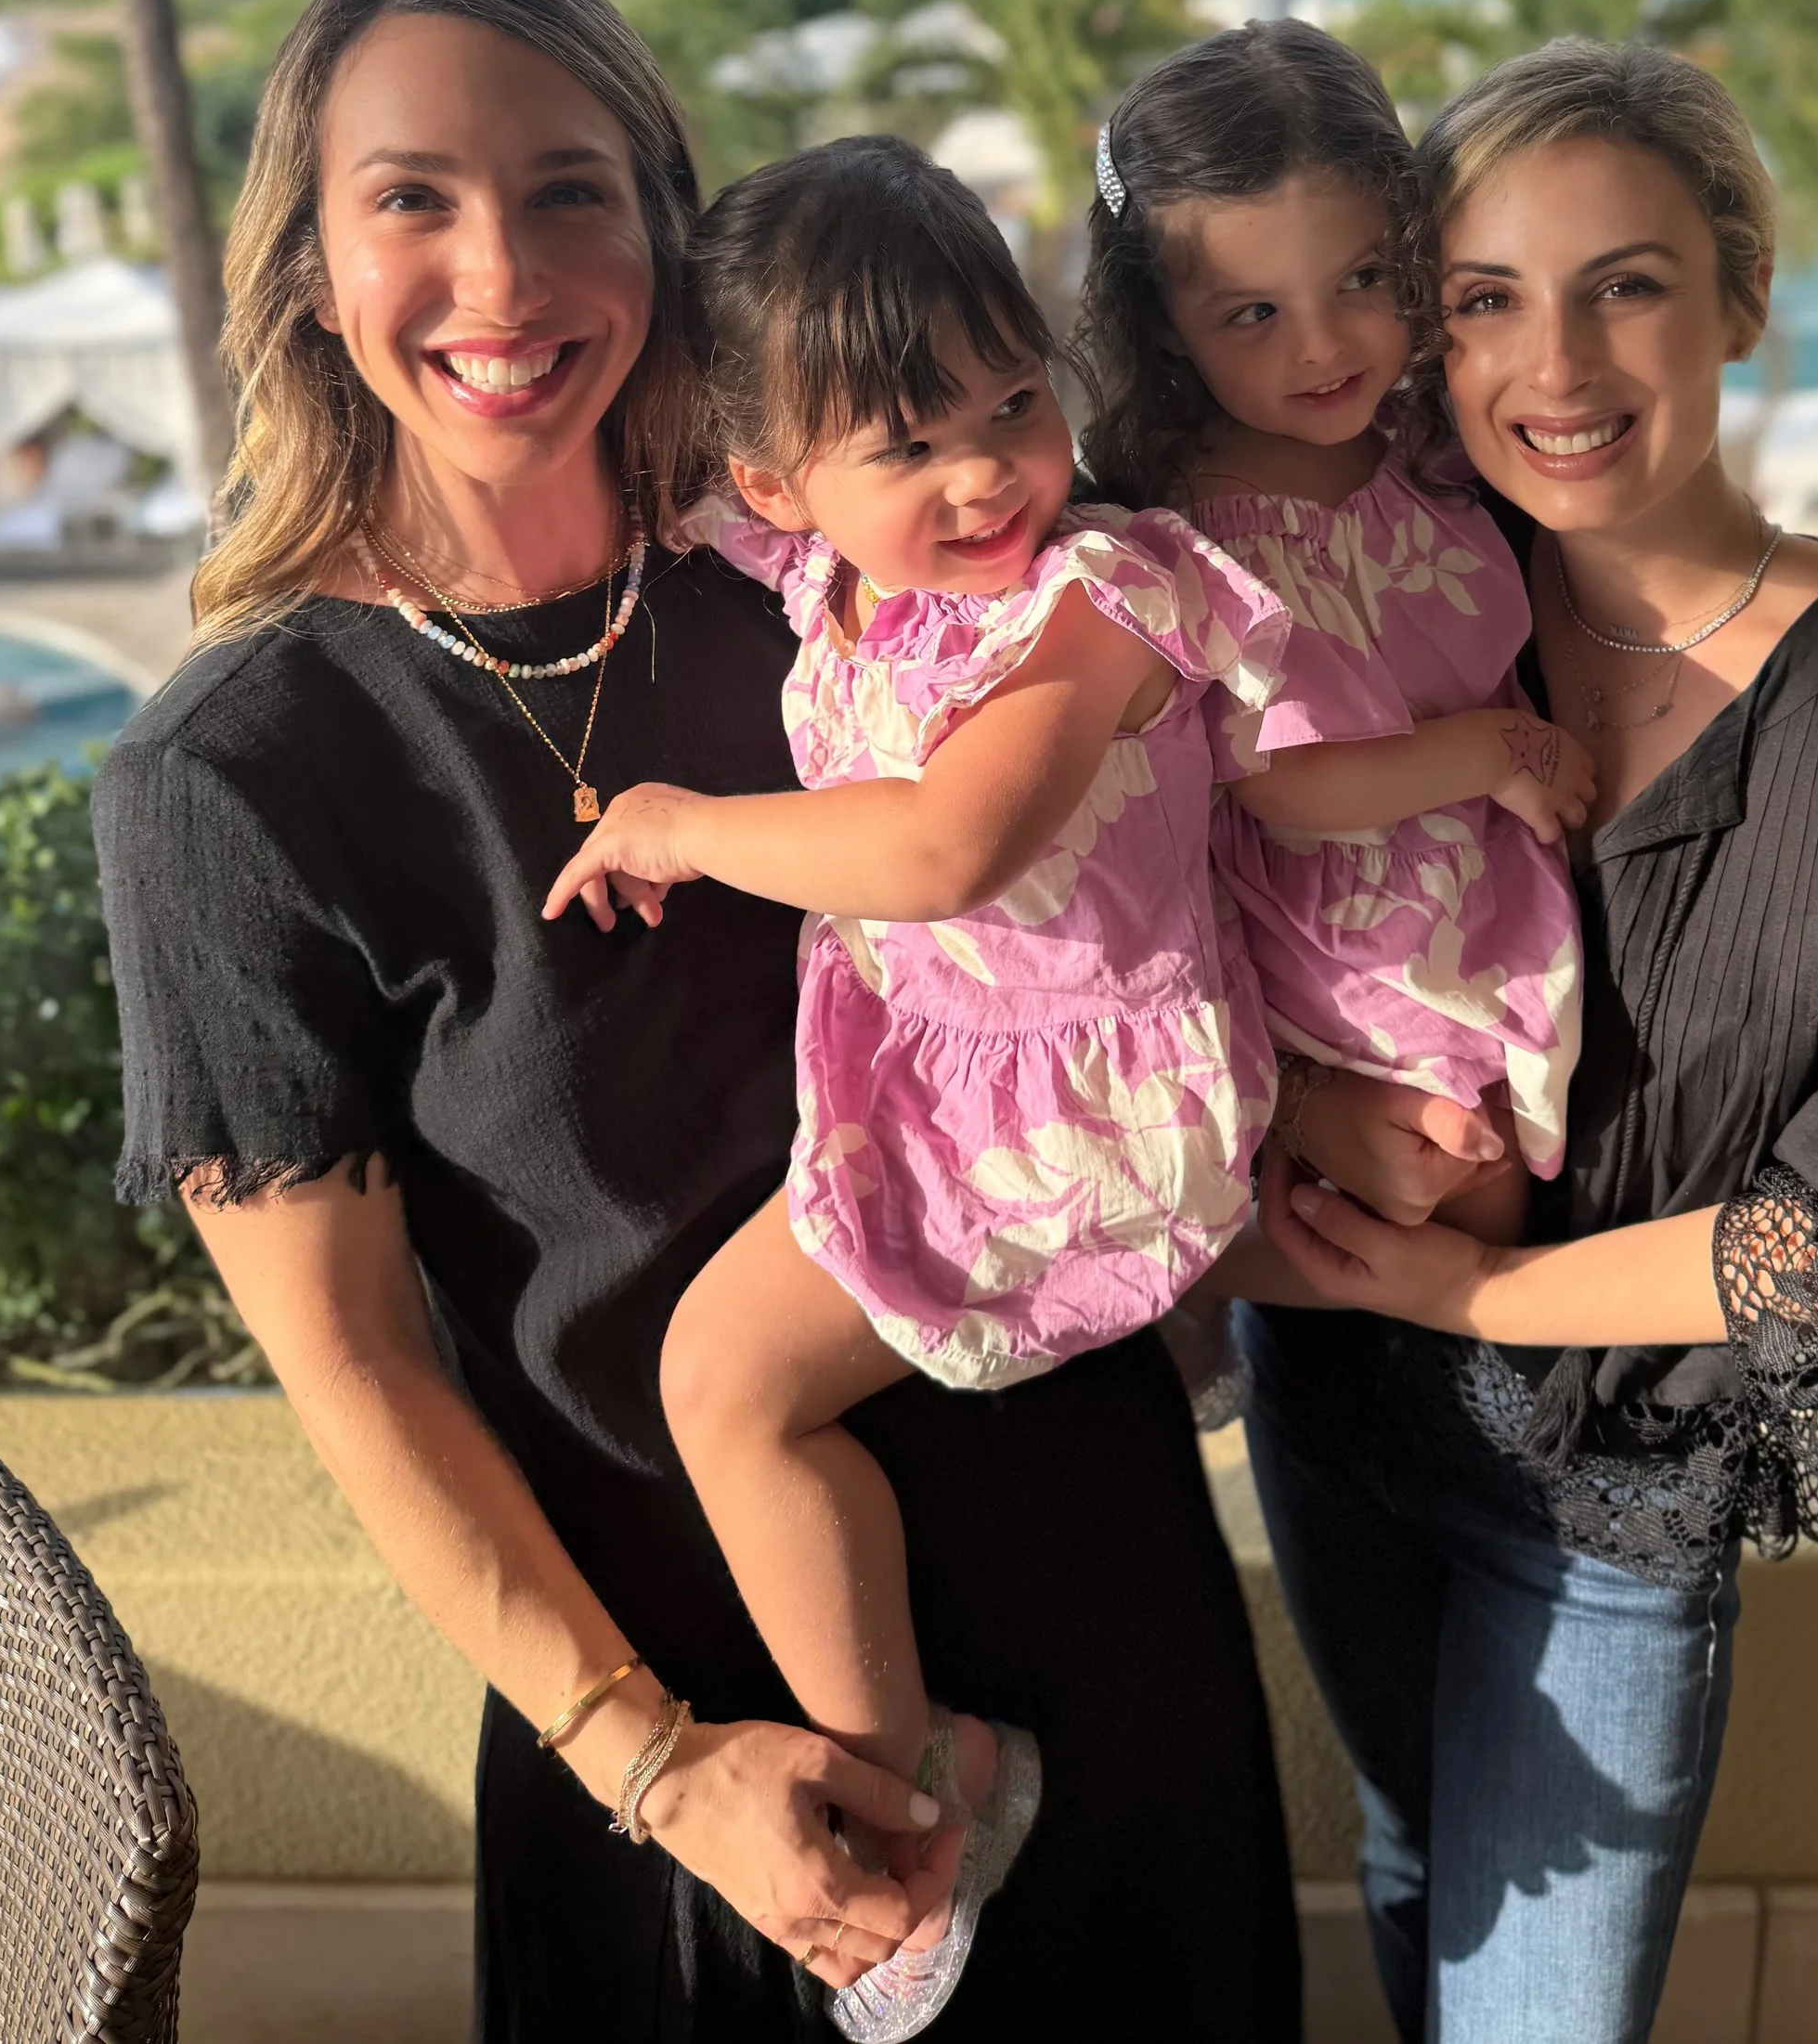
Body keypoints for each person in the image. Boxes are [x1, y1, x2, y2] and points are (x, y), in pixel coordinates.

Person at [95, 0, 1301, 2043]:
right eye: (413, 198)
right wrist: (651, 1762)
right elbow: (363, 1373)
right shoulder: (236, 782)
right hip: (719, 1761)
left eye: (570, 188)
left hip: (1101, 1612)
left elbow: (1193, 861)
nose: (502, 271)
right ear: (304, 263)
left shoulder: (857, 570)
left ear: (665, 226)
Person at [1244, 36, 1818, 2044]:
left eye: (1622, 282)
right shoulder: (1405, 615)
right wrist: (1321, 1119)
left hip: (1611, 1487)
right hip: (1337, 1408)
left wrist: (1476, 1276)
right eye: (1484, 299)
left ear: (1737, 301)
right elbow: (1155, 926)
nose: (1559, 364)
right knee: (1412, 1848)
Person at [540, 133, 1293, 2035]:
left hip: (1076, 1108)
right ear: (784, 482)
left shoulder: (1100, 594)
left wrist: (690, 825)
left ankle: (914, 1790)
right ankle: (913, 1773)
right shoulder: (824, 567)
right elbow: (636, 478)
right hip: (947, 1079)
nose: (983, 470)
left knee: (726, 1384)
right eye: (909, 441)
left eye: (1011, 399)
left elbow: (957, 845)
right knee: (734, 1391)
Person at [1074, 19, 1590, 1222]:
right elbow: (1278, 783)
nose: (1322, 346)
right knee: (1466, 1177)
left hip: (1474, 878)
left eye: (1362, 280)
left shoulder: (1421, 445)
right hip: (1346, 927)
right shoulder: (1201, 526)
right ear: (1162, 325)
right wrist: (1487, 752)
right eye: (1253, 314)